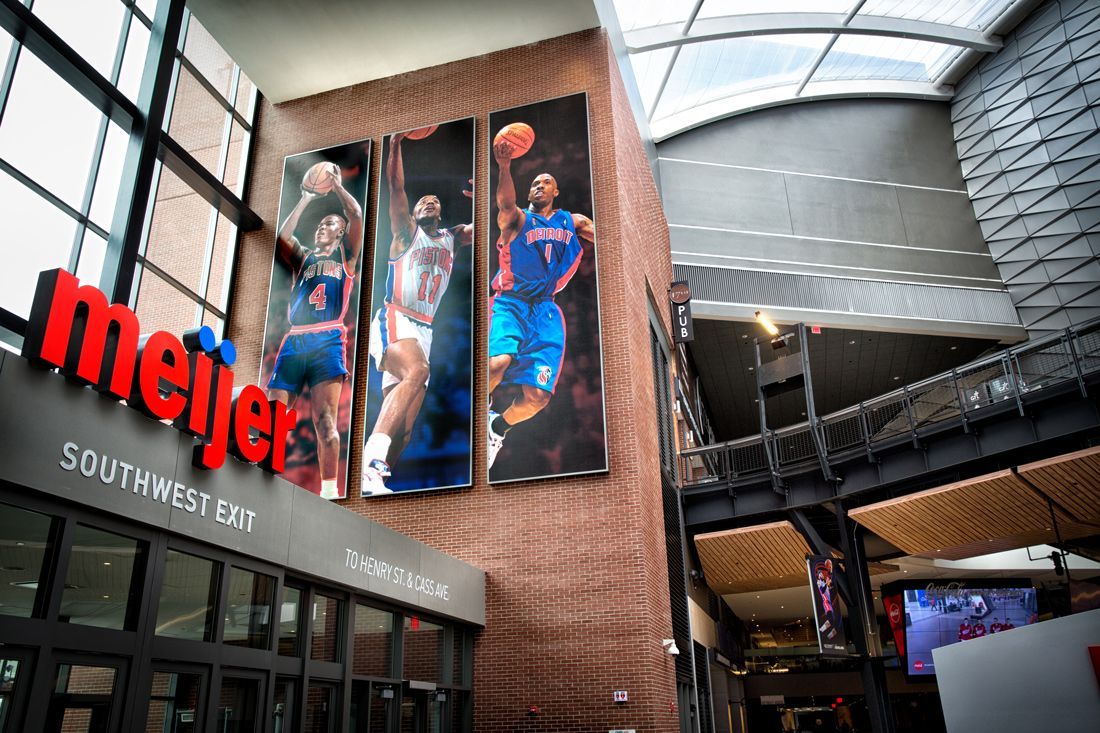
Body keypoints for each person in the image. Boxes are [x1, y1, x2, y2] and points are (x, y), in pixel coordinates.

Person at [361, 132, 473, 495]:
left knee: (406, 430)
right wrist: (394, 145)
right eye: (422, 201)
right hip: (395, 316)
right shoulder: (406, 232)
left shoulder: (452, 237)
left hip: (424, 330)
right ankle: (370, 458)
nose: (429, 202)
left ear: (441, 212)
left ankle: (376, 480)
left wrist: (483, 196)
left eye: (434, 201)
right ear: (411, 213)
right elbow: (395, 185)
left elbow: (501, 224)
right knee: (418, 371)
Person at [486, 136, 594, 469]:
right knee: (499, 362)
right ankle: (471, 414)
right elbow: (505, 205)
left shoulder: (571, 221)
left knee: (537, 398)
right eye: (533, 182)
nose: (538, 186)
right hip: (510, 302)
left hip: (546, 310)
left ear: (556, 192)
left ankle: (496, 427)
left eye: (546, 182)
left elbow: (609, 237)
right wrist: (504, 166)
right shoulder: (518, 218)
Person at [267, 165, 363, 500]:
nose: (323, 227)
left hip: (328, 339)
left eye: (330, 224)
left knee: (325, 423)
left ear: (340, 233)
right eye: (321, 224)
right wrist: (306, 200)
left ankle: (329, 491)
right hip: (295, 339)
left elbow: (355, 212)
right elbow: (281, 238)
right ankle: (261, 471)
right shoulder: (305, 258)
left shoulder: (346, 256)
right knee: (272, 414)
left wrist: (336, 186)